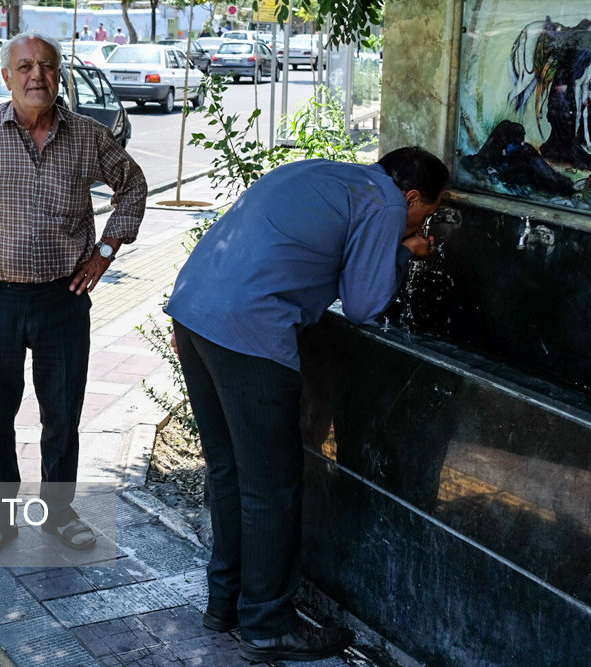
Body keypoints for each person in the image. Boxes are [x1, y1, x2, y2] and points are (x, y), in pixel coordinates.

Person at [165, 147, 449, 662]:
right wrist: (406, 251)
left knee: (229, 470)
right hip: (247, 330)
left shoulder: (326, 174)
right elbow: (363, 305)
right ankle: (269, 625)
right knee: (271, 486)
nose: (417, 224)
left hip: (193, 309)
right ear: (410, 196)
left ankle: (225, 604)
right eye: (424, 216)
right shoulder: (384, 204)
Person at [0, 32, 147, 561]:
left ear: (59, 73)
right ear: (6, 77)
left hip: (63, 299)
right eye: (24, 66)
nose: (35, 75)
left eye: (45, 65)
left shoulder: (88, 136)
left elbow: (132, 187)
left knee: (62, 414)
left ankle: (59, 515)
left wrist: (106, 251)